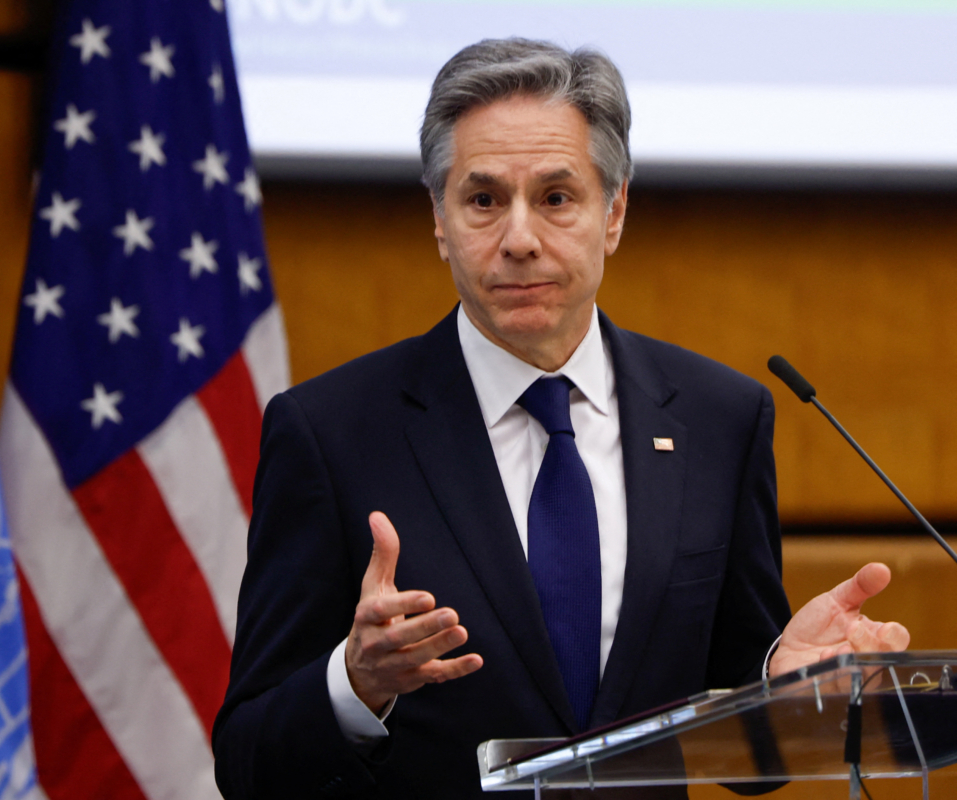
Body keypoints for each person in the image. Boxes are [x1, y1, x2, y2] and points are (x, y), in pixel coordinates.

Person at [212, 38, 910, 799]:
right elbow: (248, 762)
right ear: (440, 220)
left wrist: (781, 685)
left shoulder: (722, 418)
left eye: (555, 197)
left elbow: (735, 731)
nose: (518, 239)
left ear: (612, 212)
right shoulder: (330, 433)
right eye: (483, 201)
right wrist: (354, 686)